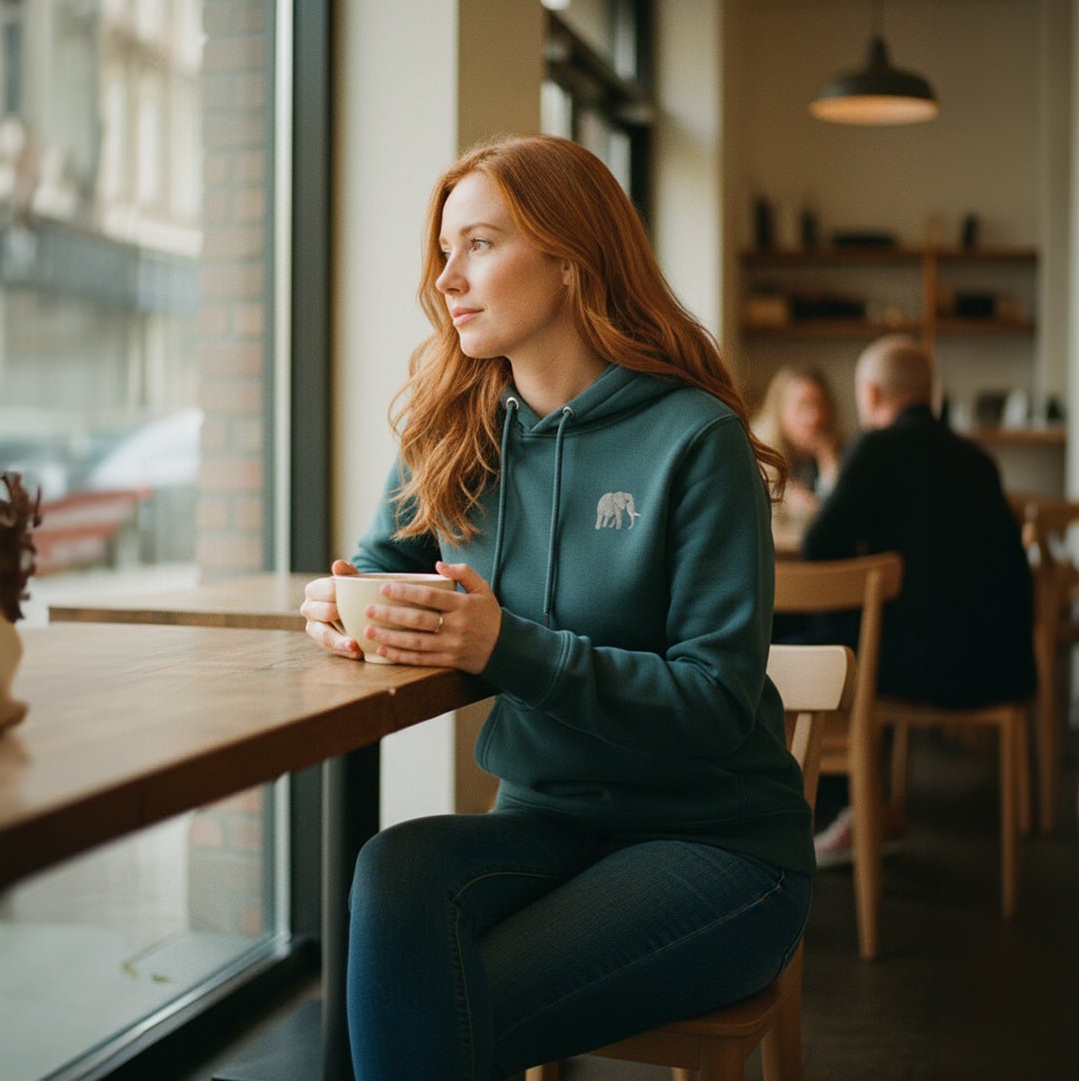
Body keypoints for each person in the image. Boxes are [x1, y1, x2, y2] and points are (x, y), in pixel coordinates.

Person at [301, 134, 813, 1081]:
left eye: (480, 244)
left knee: (433, 1011)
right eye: (444, 250)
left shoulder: (694, 439)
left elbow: (713, 703)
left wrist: (508, 645)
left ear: (571, 260)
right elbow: (381, 564)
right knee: (393, 869)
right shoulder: (453, 424)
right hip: (545, 822)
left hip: (715, 843)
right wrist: (342, 605)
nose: (447, 278)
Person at [800, 335, 1036, 865]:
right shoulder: (977, 461)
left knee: (807, 649)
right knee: (852, 635)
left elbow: (819, 547)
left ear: (871, 393)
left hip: (928, 667)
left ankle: (853, 810)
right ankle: (875, 807)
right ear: (933, 393)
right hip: (1003, 667)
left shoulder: (877, 448)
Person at [751, 365, 843, 548]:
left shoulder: (842, 452)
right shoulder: (760, 455)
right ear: (779, 410)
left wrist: (829, 463)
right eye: (802, 405)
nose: (814, 417)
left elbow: (840, 518)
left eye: (820, 404)